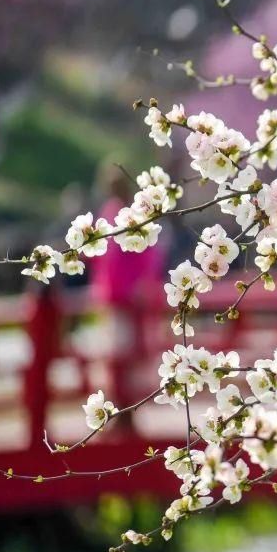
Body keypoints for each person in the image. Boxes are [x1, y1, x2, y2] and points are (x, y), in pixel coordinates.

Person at [87, 161, 164, 416]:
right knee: (115, 355)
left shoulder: (131, 216)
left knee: (126, 356)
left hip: (127, 297)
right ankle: (117, 409)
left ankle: (126, 410)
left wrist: (141, 285)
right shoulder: (110, 213)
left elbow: (147, 256)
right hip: (114, 297)